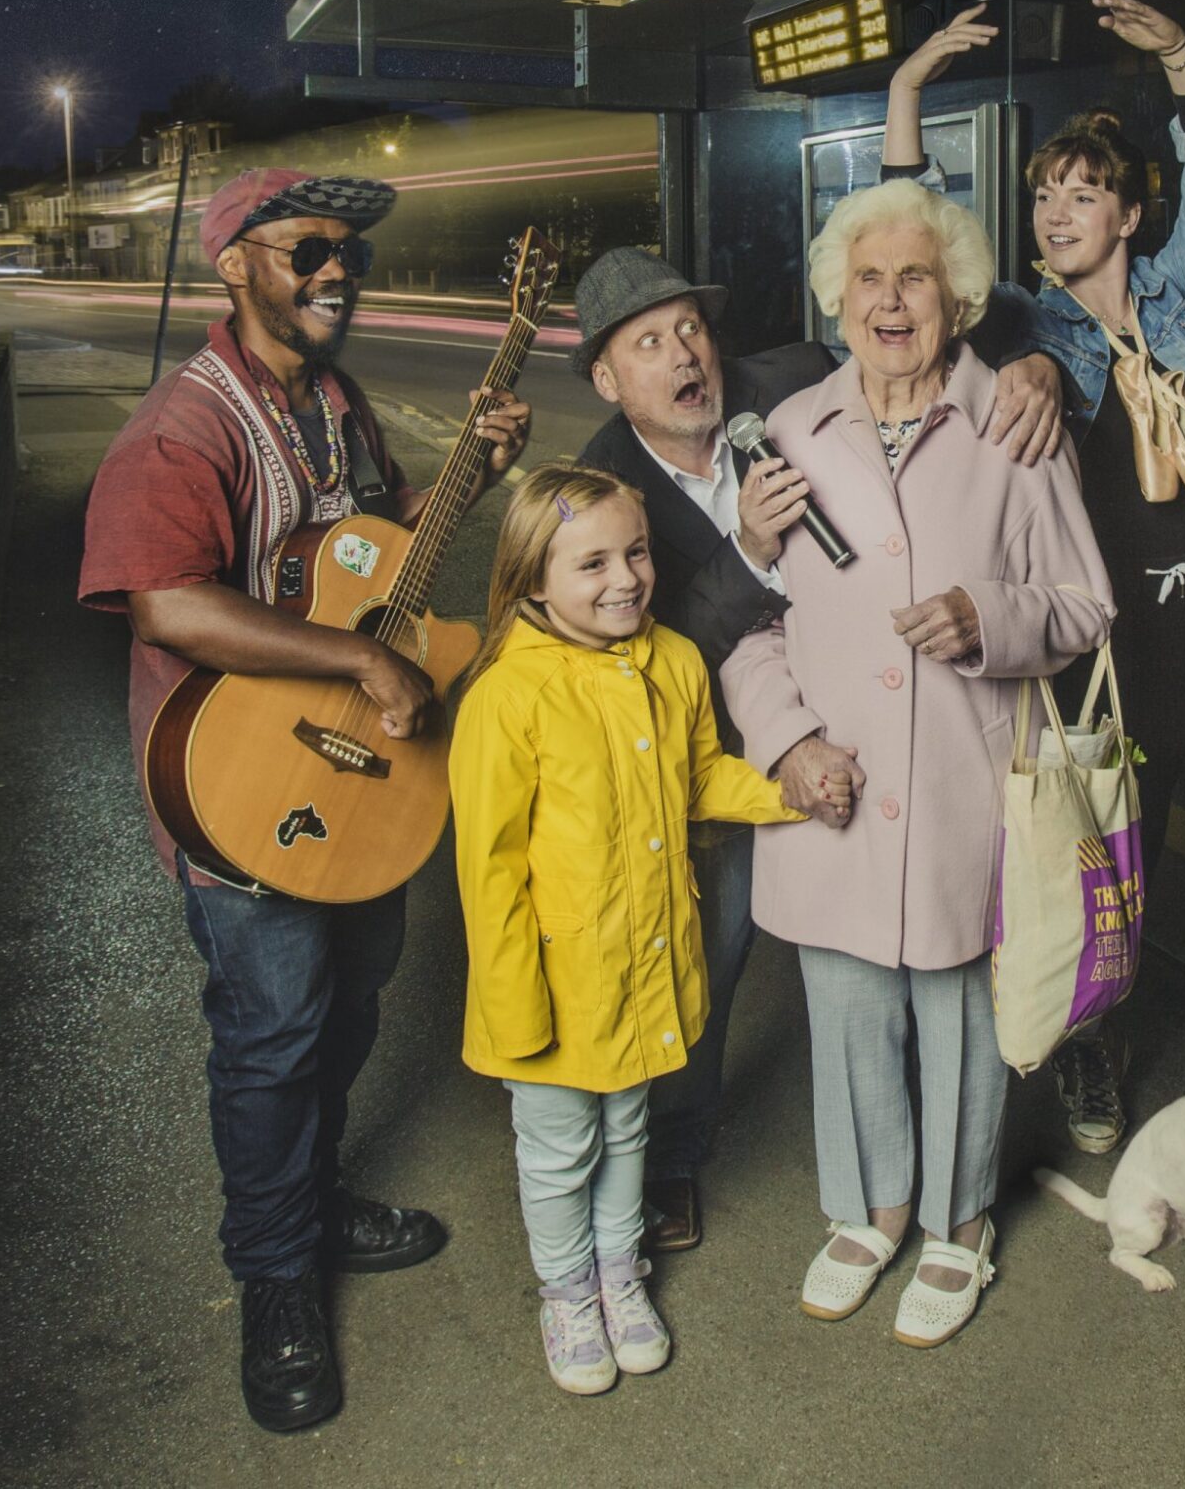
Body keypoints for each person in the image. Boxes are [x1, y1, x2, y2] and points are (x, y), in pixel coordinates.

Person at [76, 166, 530, 1433]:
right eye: (309, 249)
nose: (339, 270)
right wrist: (363, 659)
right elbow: (164, 599)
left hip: (359, 780)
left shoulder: (332, 397)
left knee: (347, 1004)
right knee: (271, 1037)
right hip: (238, 784)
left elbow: (372, 544)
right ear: (235, 264)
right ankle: (274, 1278)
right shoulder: (184, 425)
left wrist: (473, 482)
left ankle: (313, 1197)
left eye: (352, 255)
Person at [572, 245, 1069, 1252]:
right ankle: (676, 1156)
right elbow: (663, 639)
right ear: (606, 378)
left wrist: (1040, 368)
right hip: (709, 743)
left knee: (931, 953)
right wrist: (751, 551)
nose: (684, 355)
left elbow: (932, 316)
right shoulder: (602, 481)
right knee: (702, 954)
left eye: (691, 329)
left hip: (878, 736)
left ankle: (950, 1206)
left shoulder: (793, 383)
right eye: (649, 343)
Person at [722, 177, 1114, 1348]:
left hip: (960, 781)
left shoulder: (1013, 421)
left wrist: (985, 615)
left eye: (915, 279)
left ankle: (957, 1221)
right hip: (829, 789)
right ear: (837, 298)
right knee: (842, 1002)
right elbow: (748, 623)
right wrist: (785, 740)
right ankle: (867, 1208)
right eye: (869, 279)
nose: (891, 301)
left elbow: (1084, 603)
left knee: (954, 1009)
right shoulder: (790, 432)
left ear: (956, 298)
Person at [885, 0, 1185, 1156]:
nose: (1055, 212)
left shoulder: (1174, 295)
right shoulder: (1016, 327)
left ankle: (1099, 1028)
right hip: (1082, 622)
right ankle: (1050, 1039)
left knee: (1141, 829)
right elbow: (923, 249)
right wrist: (906, 92)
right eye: (1045, 194)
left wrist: (1183, 51)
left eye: (1082, 194)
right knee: (1061, 824)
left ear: (1129, 215)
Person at [449, 462, 800, 1395]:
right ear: (531, 581)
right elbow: (488, 874)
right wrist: (515, 1008)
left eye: (636, 552)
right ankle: (567, 1295)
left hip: (647, 962)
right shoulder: (506, 698)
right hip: (559, 984)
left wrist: (788, 793)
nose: (626, 579)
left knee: (631, 1131)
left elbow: (699, 783)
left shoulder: (674, 661)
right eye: (591, 563)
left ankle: (618, 1275)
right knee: (562, 1148)